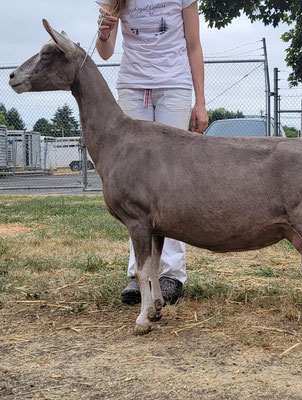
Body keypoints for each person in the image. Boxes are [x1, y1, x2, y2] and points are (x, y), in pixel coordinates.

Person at [96, 0, 208, 305]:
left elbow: (194, 45)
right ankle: (140, 274)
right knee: (135, 185)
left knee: (171, 182)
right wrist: (104, 33)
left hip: (174, 86)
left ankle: (171, 273)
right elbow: (105, 51)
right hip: (132, 87)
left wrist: (200, 102)